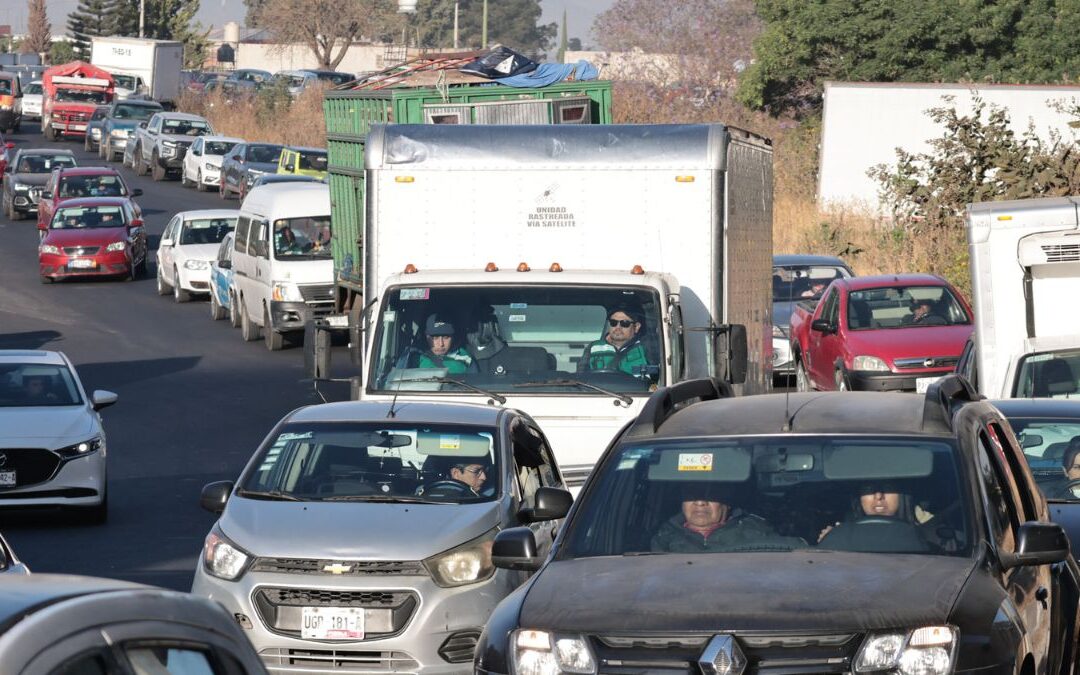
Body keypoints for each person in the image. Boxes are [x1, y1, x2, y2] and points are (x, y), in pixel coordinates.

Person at [650, 483, 799, 552]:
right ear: (682, 503)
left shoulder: (755, 530)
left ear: (727, 503)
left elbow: (790, 554)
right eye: (691, 495)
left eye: (711, 495)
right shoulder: (661, 538)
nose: (700, 502)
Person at [817, 482, 931, 552]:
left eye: (888, 488)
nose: (878, 496)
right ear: (859, 499)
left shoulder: (929, 529)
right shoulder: (839, 533)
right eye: (868, 489)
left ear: (902, 495)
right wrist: (829, 541)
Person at [578, 306, 651, 378]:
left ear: (636, 327)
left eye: (625, 323)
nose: (617, 327)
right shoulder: (593, 347)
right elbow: (581, 377)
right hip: (598, 389)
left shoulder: (646, 347)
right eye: (613, 322)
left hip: (638, 390)